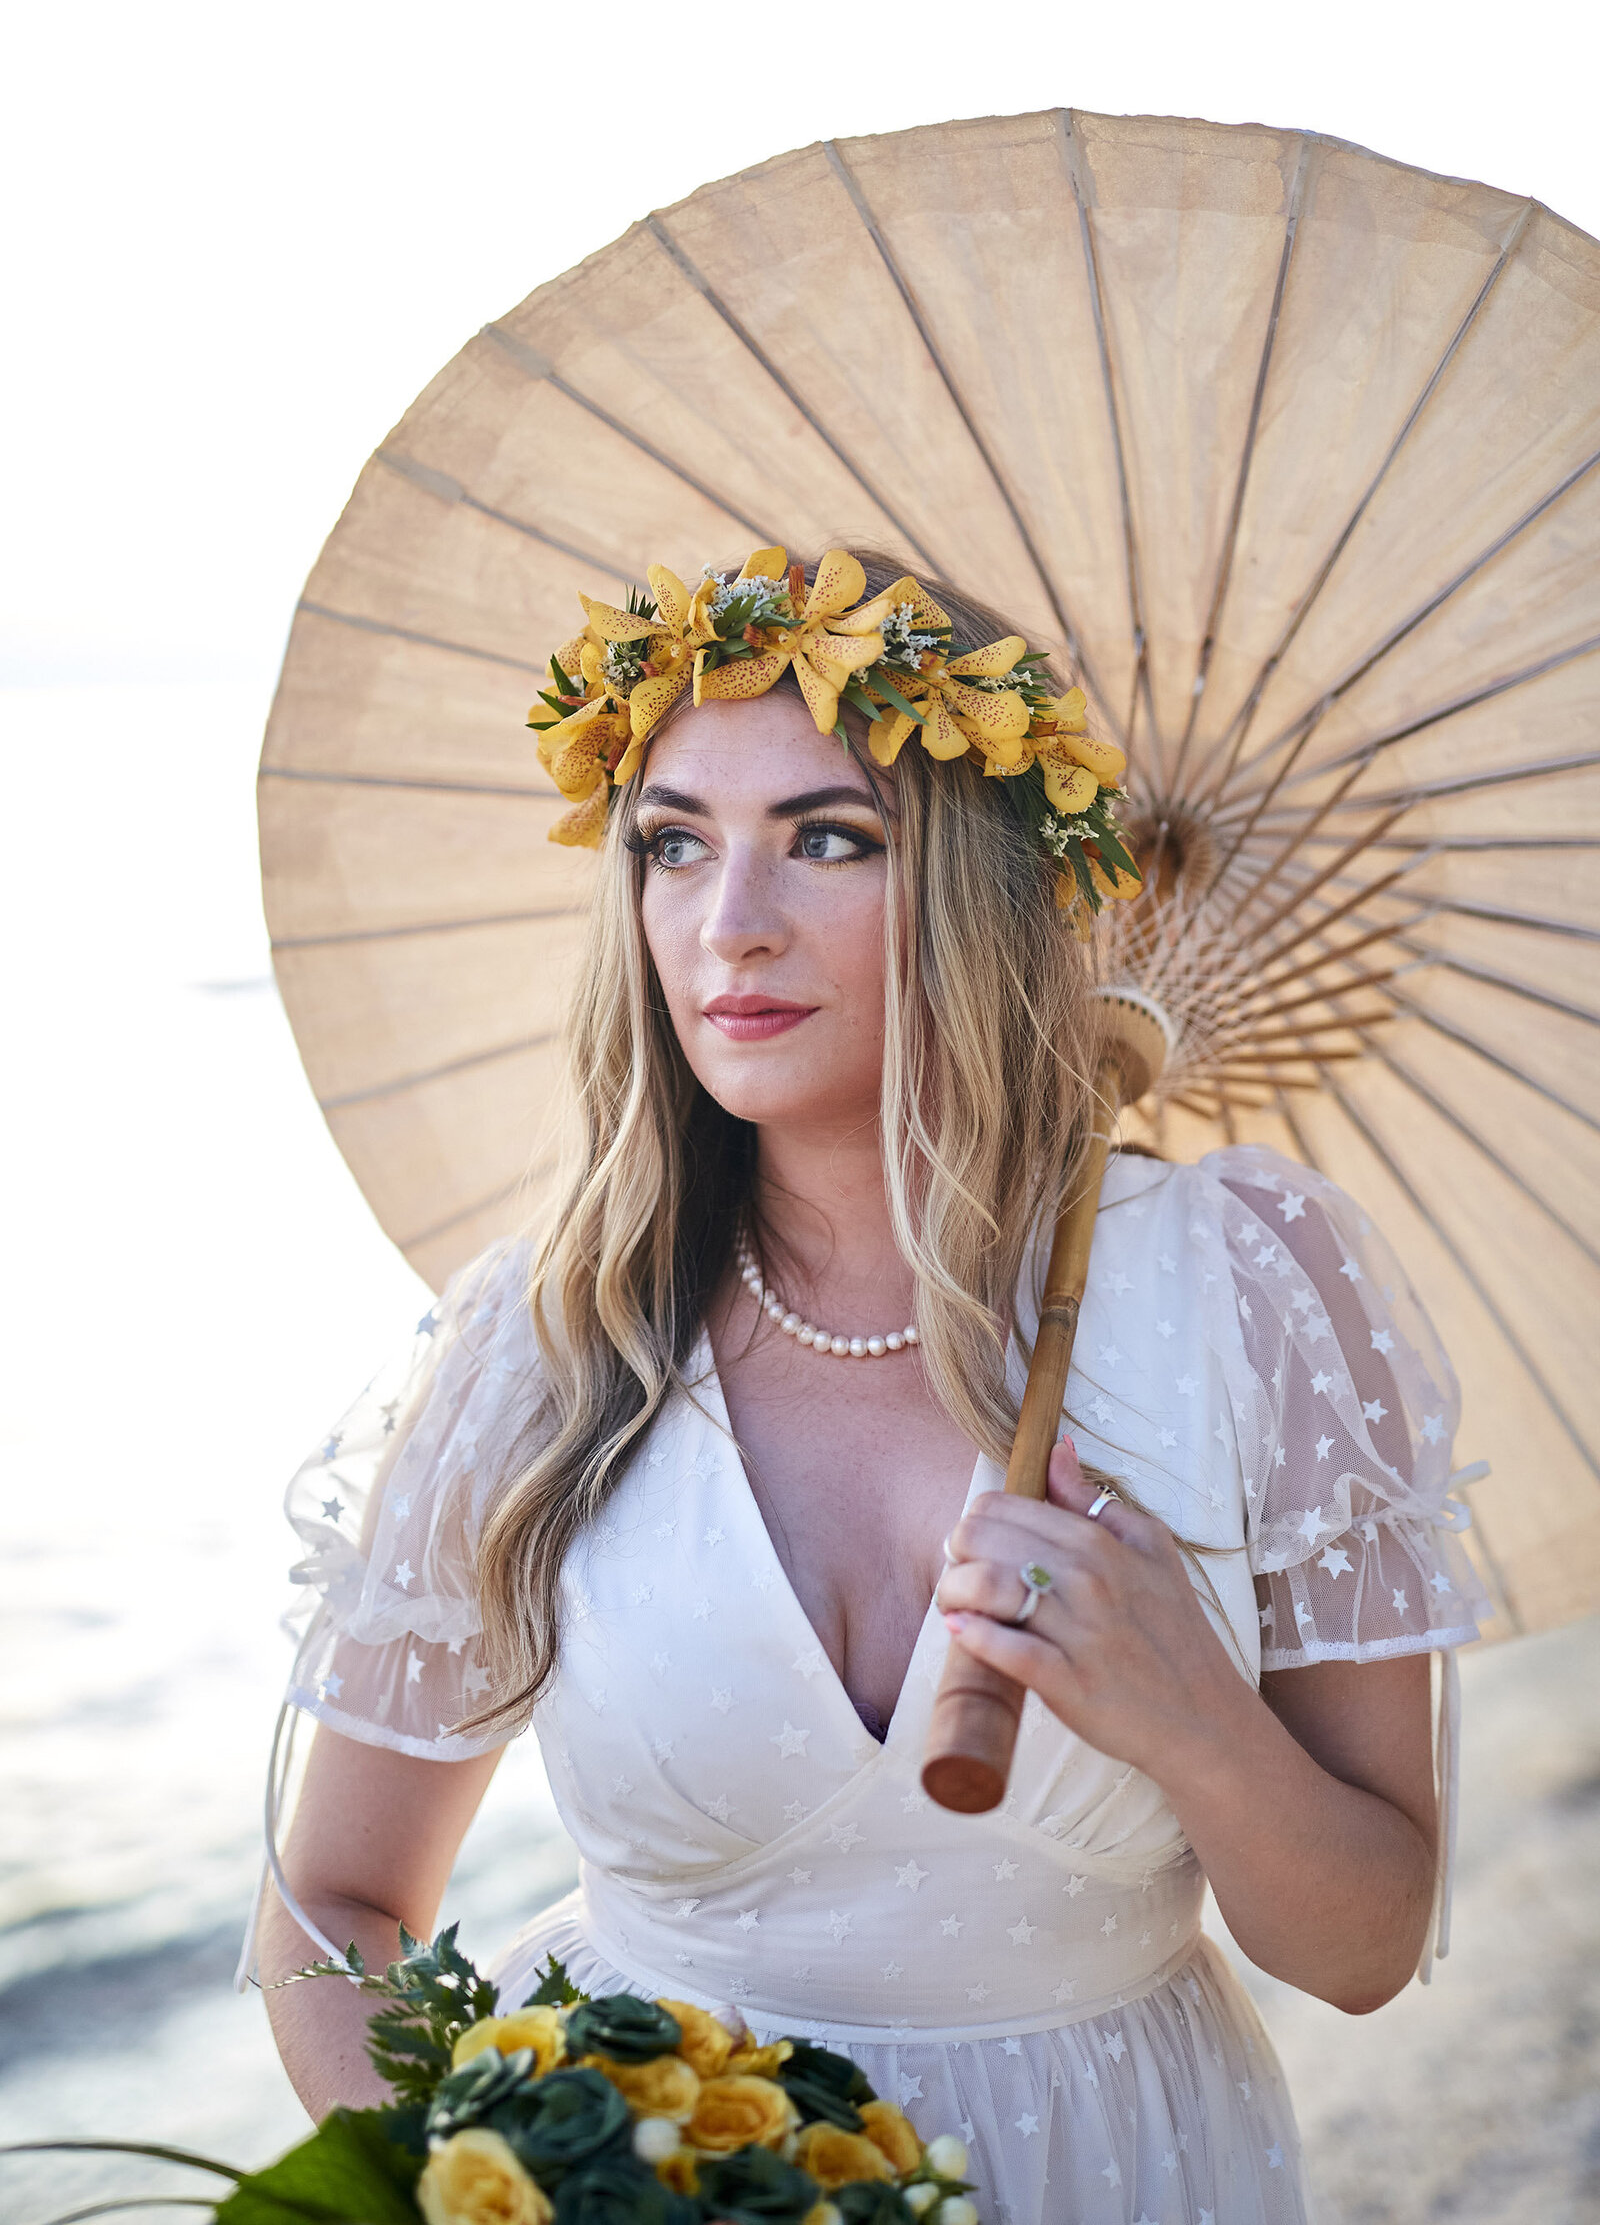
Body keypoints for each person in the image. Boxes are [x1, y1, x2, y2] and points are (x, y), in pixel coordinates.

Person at [253, 550, 1489, 2223]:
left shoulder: (1247, 1286)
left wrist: (1188, 1707)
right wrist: (489, 2192)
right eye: (673, 843)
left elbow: (1359, 1949)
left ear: (979, 881)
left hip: (1112, 2173)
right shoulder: (544, 1342)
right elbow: (334, 1899)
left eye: (829, 839)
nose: (728, 922)